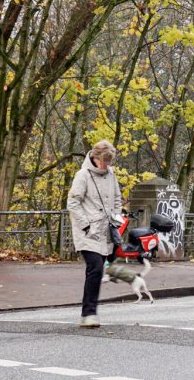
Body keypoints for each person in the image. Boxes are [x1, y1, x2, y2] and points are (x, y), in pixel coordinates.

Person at [67, 140, 123, 328]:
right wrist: (85, 225)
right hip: (88, 232)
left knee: (100, 268)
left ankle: (88, 313)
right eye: (104, 161)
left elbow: (117, 198)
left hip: (106, 230)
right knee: (95, 268)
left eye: (109, 162)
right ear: (95, 157)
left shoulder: (111, 175)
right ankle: (88, 313)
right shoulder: (82, 175)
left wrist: (116, 219)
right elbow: (73, 203)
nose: (106, 165)